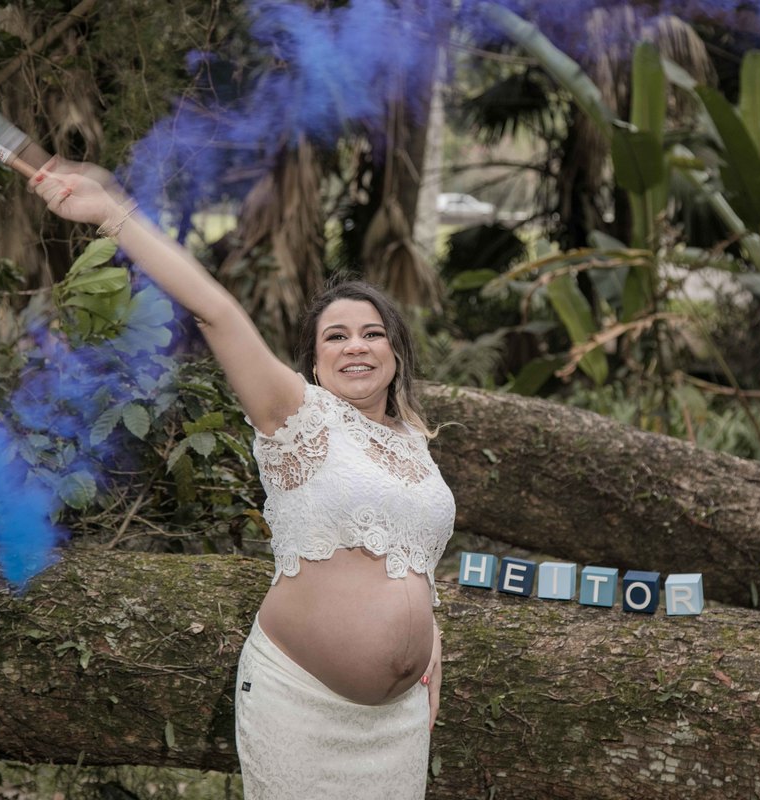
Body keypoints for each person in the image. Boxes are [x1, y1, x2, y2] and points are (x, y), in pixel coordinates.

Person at [30, 157, 454, 799]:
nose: (356, 346)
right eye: (336, 336)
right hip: (303, 706)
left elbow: (412, 562)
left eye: (373, 333)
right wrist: (113, 213)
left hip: (399, 722)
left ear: (396, 352)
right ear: (313, 362)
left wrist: (429, 652)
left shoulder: (413, 442)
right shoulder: (297, 415)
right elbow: (216, 313)